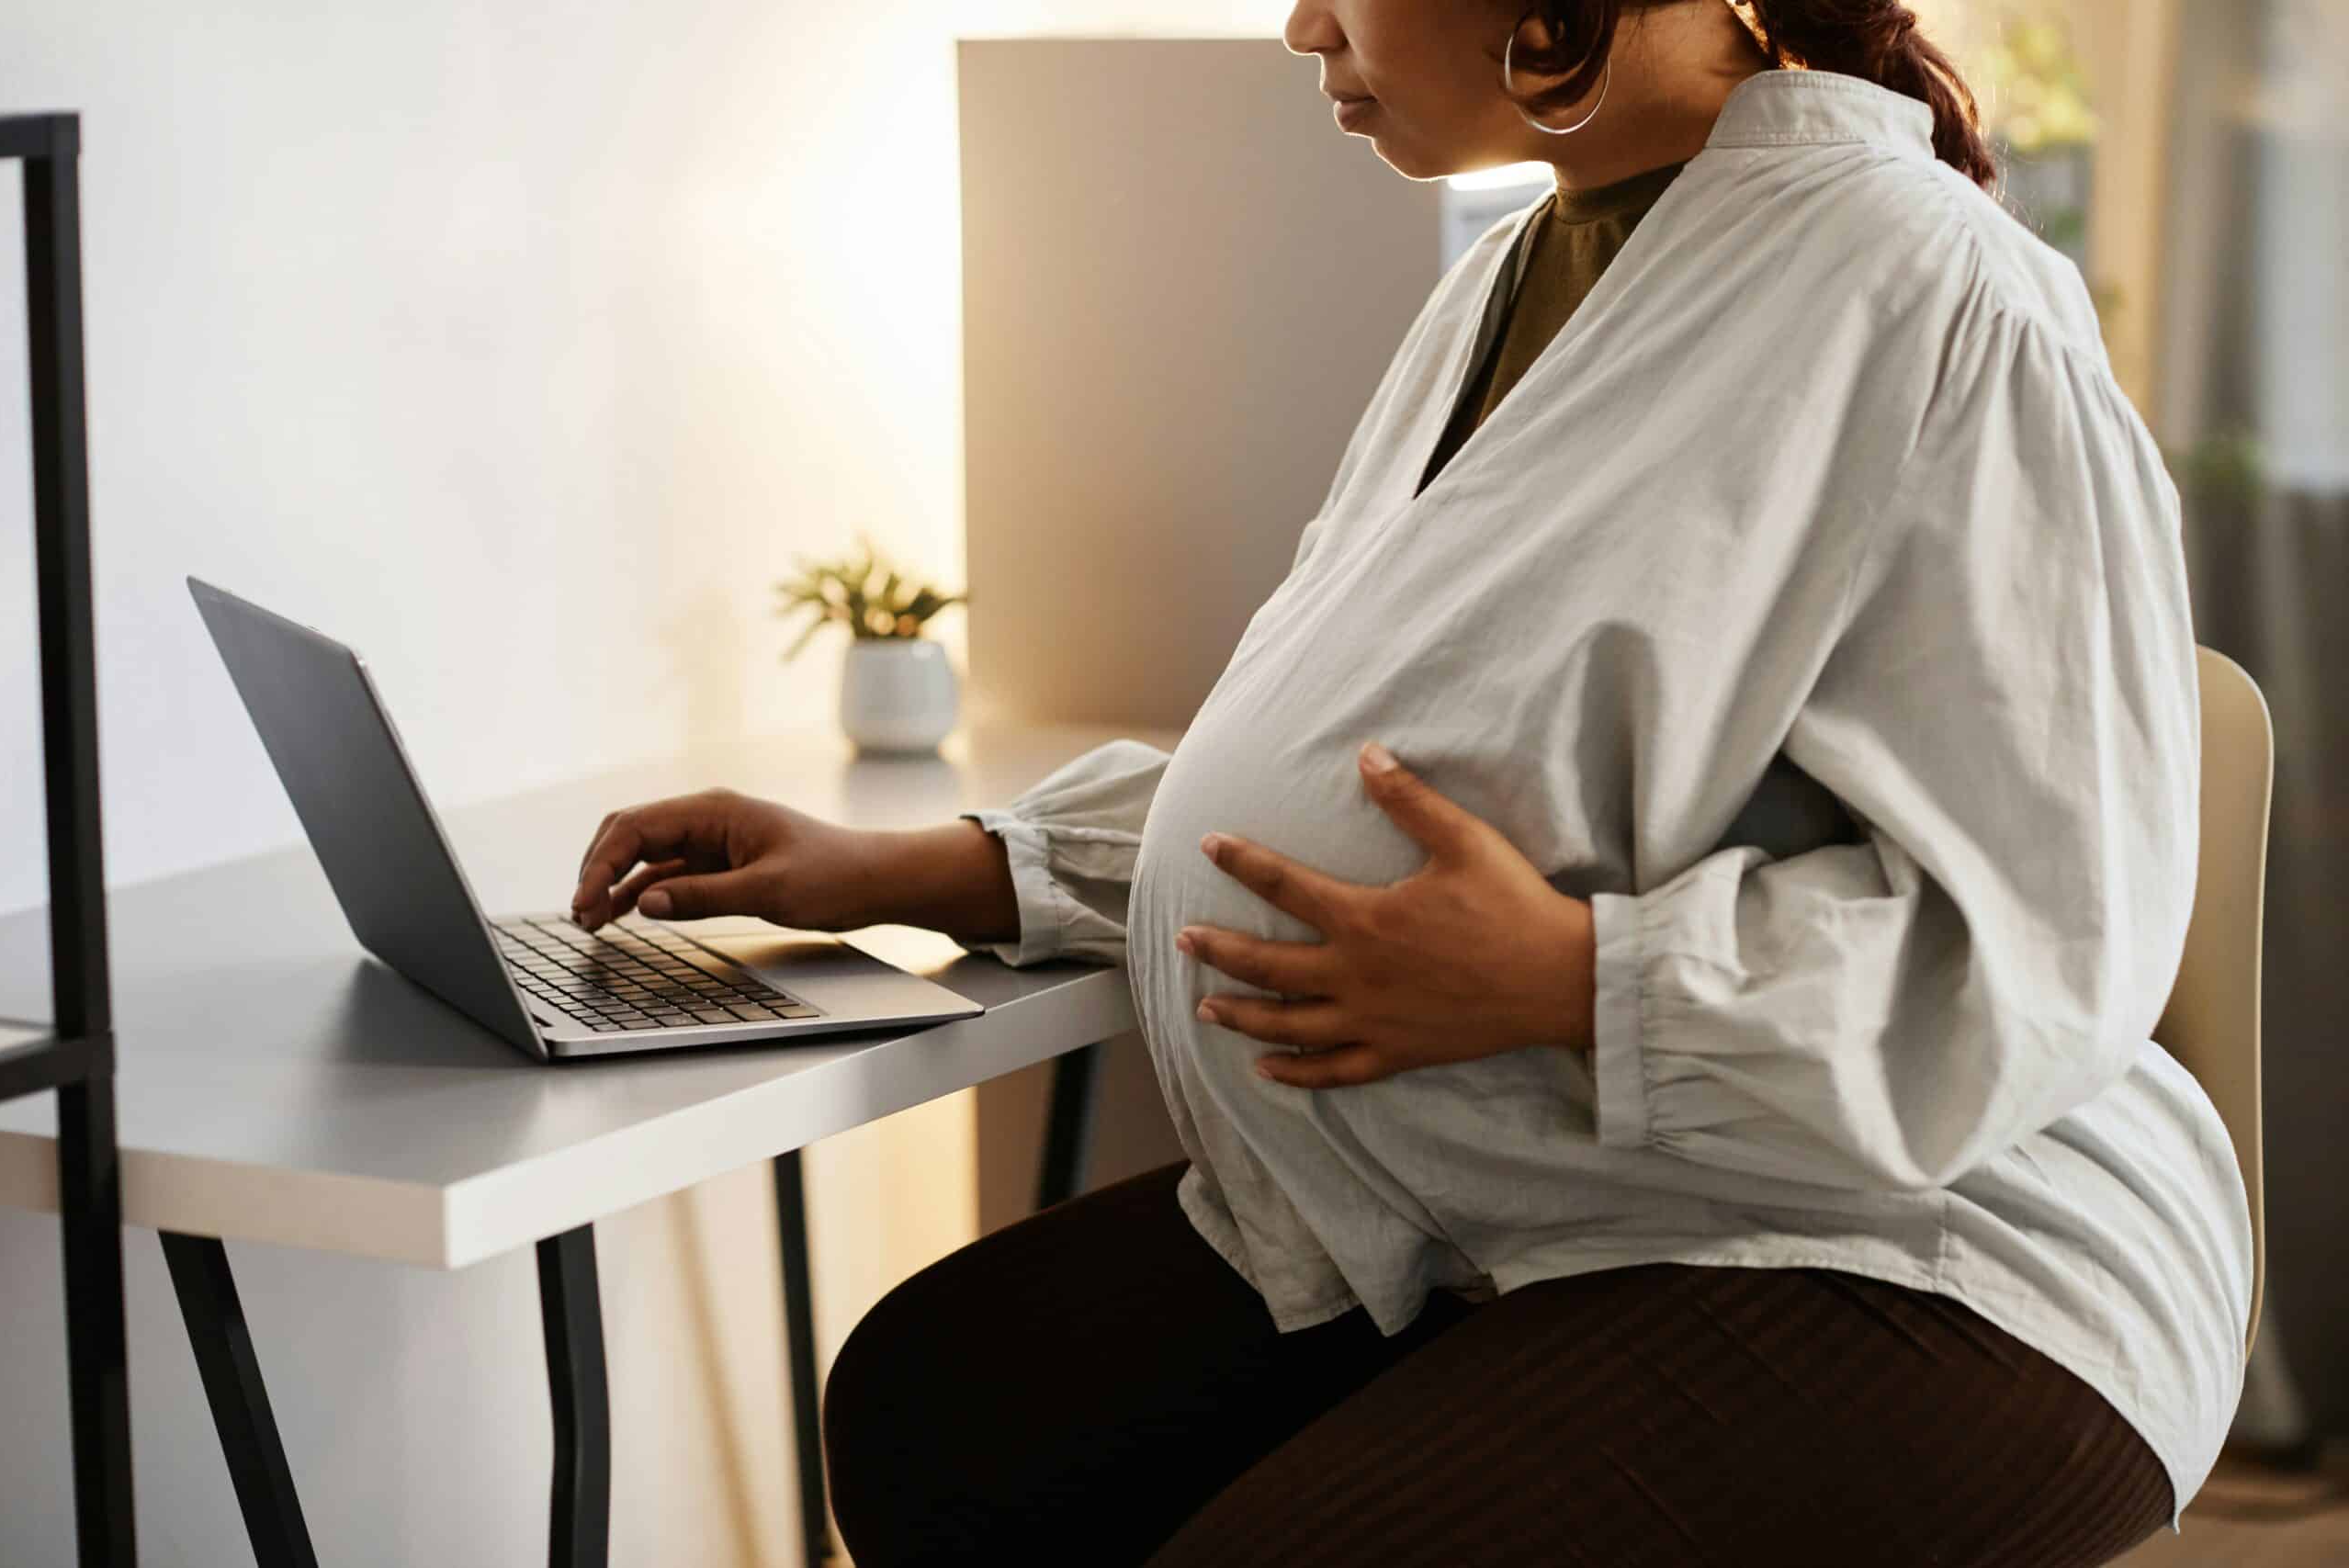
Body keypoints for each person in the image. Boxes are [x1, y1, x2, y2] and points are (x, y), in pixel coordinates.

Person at [567, 2, 2252, 1562]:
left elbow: (2051, 937)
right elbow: (1375, 758)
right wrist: (925, 868)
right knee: (937, 1413)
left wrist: (1584, 985)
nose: (1302, 24)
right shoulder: (1522, 267)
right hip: (1546, 1194)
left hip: (1925, 1249)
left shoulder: (1939, 298)